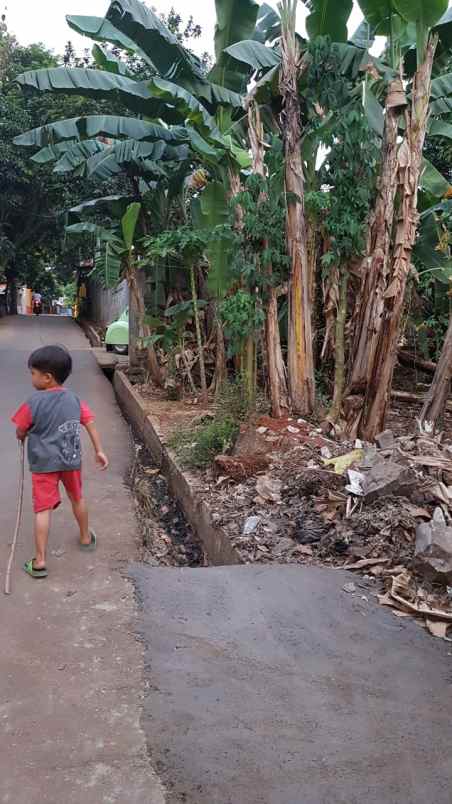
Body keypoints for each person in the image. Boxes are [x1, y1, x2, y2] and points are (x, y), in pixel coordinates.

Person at [11, 345, 109, 579]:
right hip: (71, 460)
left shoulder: (32, 402)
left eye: (33, 373)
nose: (31, 377)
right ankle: (85, 537)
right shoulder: (74, 399)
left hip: (44, 465)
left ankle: (40, 560)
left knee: (42, 509)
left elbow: (20, 428)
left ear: (47, 378)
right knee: (77, 498)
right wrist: (99, 450)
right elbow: (90, 422)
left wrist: (22, 436)